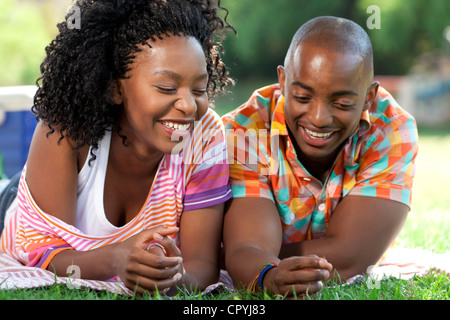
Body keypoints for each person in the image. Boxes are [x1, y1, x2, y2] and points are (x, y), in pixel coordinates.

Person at [0, 0, 234, 295]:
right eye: (166, 88)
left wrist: (169, 279)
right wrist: (116, 259)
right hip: (16, 207)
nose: (188, 105)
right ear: (115, 87)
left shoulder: (205, 135)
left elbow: (202, 264)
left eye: (199, 90)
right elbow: (42, 255)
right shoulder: (66, 129)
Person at [222, 16, 418, 297]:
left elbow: (352, 258)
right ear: (282, 81)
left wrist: (234, 258)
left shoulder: (391, 129)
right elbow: (249, 247)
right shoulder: (244, 131)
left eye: (342, 104)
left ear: (368, 97)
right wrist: (265, 271)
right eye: (302, 97)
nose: (318, 118)